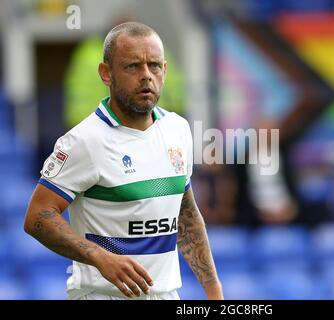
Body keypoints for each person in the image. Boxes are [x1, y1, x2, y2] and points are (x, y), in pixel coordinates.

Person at [24, 22, 223, 300]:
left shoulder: (178, 129)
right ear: (106, 73)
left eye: (154, 66)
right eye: (132, 66)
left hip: (166, 295)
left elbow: (187, 217)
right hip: (101, 295)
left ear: (164, 70)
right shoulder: (84, 141)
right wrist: (100, 258)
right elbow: (37, 217)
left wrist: (214, 292)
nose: (146, 76)